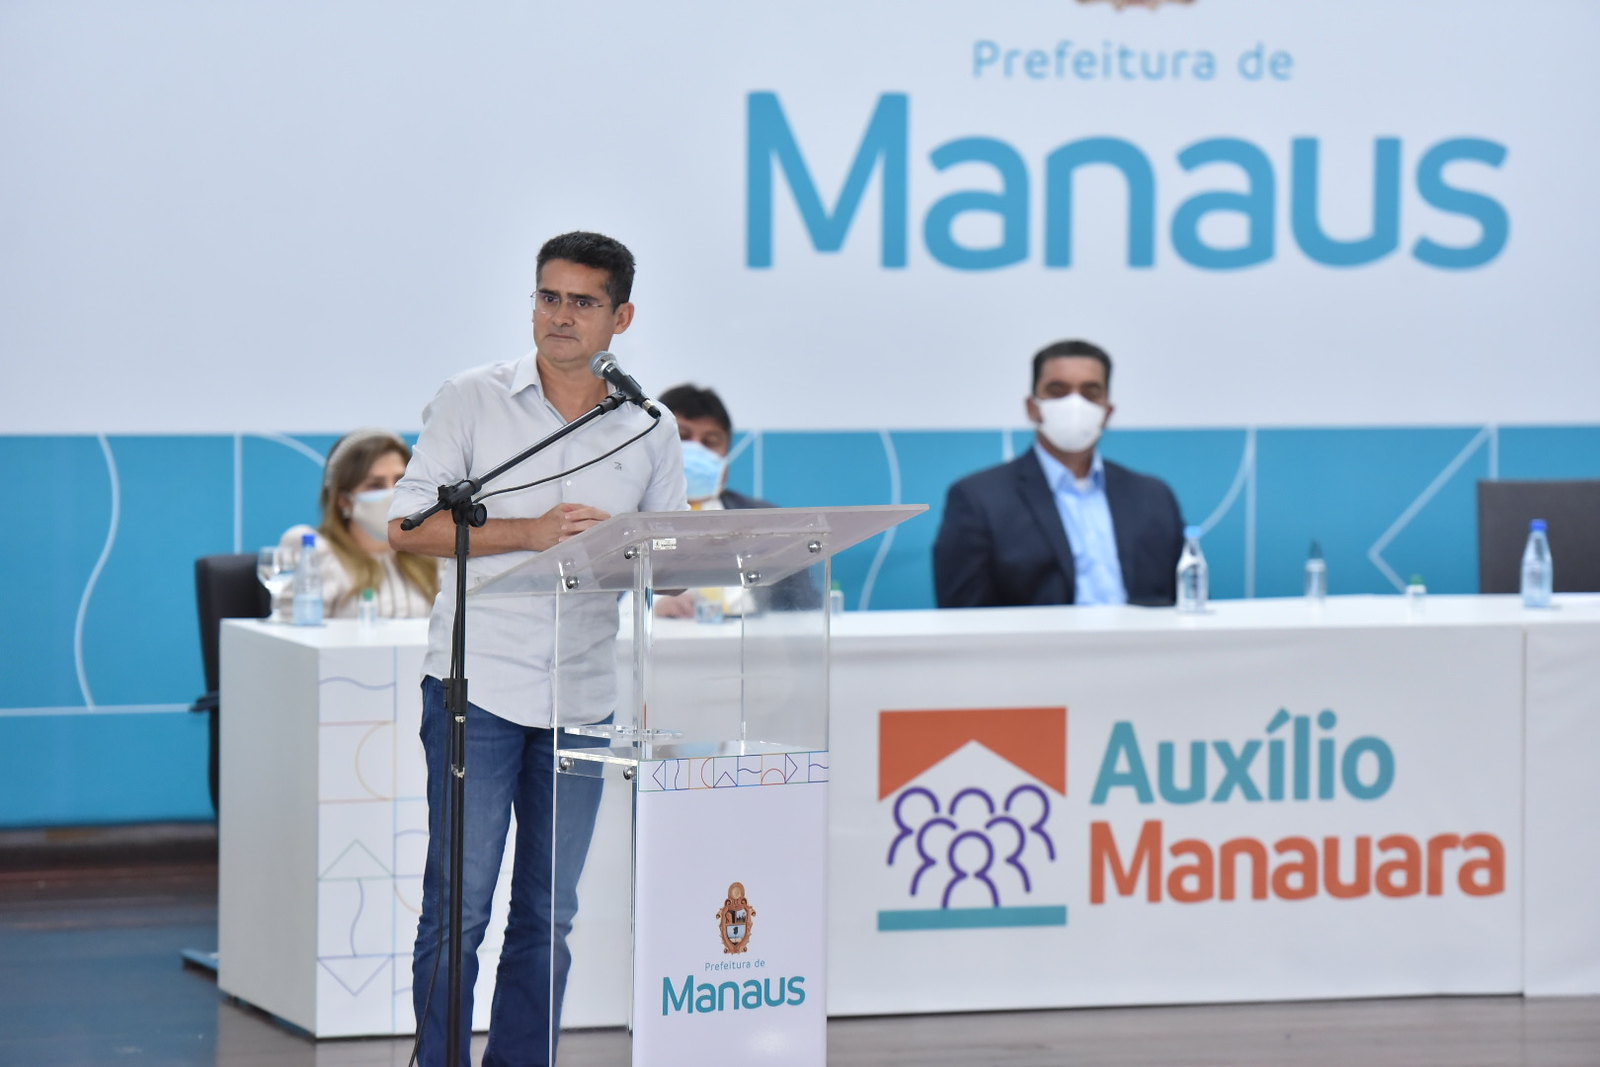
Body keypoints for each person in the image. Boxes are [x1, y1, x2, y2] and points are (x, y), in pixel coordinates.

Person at [387, 231, 686, 1066]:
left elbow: (665, 559)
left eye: (583, 301)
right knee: (460, 908)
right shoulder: (473, 399)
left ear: (622, 317)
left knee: (548, 913)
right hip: (477, 685)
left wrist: (635, 545)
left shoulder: (649, 425)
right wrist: (532, 532)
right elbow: (406, 527)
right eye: (548, 296)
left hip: (582, 692)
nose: (560, 315)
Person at [932, 339, 1184, 608]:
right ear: (1032, 407)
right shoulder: (979, 499)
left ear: (1108, 411)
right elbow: (963, 615)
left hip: (1142, 637)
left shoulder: (1153, 496)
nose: (1075, 404)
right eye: (1058, 391)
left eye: (1090, 393)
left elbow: (1187, 599)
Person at [652, 383, 820, 617]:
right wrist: (650, 607)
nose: (696, 450)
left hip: (751, 638)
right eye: (683, 437)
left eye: (710, 442)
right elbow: (606, 601)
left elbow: (804, 609)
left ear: (725, 455)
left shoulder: (768, 521)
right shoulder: (629, 520)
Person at [277, 429, 438, 619]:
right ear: (344, 500)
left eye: (400, 481)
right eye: (375, 485)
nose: (393, 493)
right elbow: (296, 631)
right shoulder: (314, 551)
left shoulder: (432, 555)